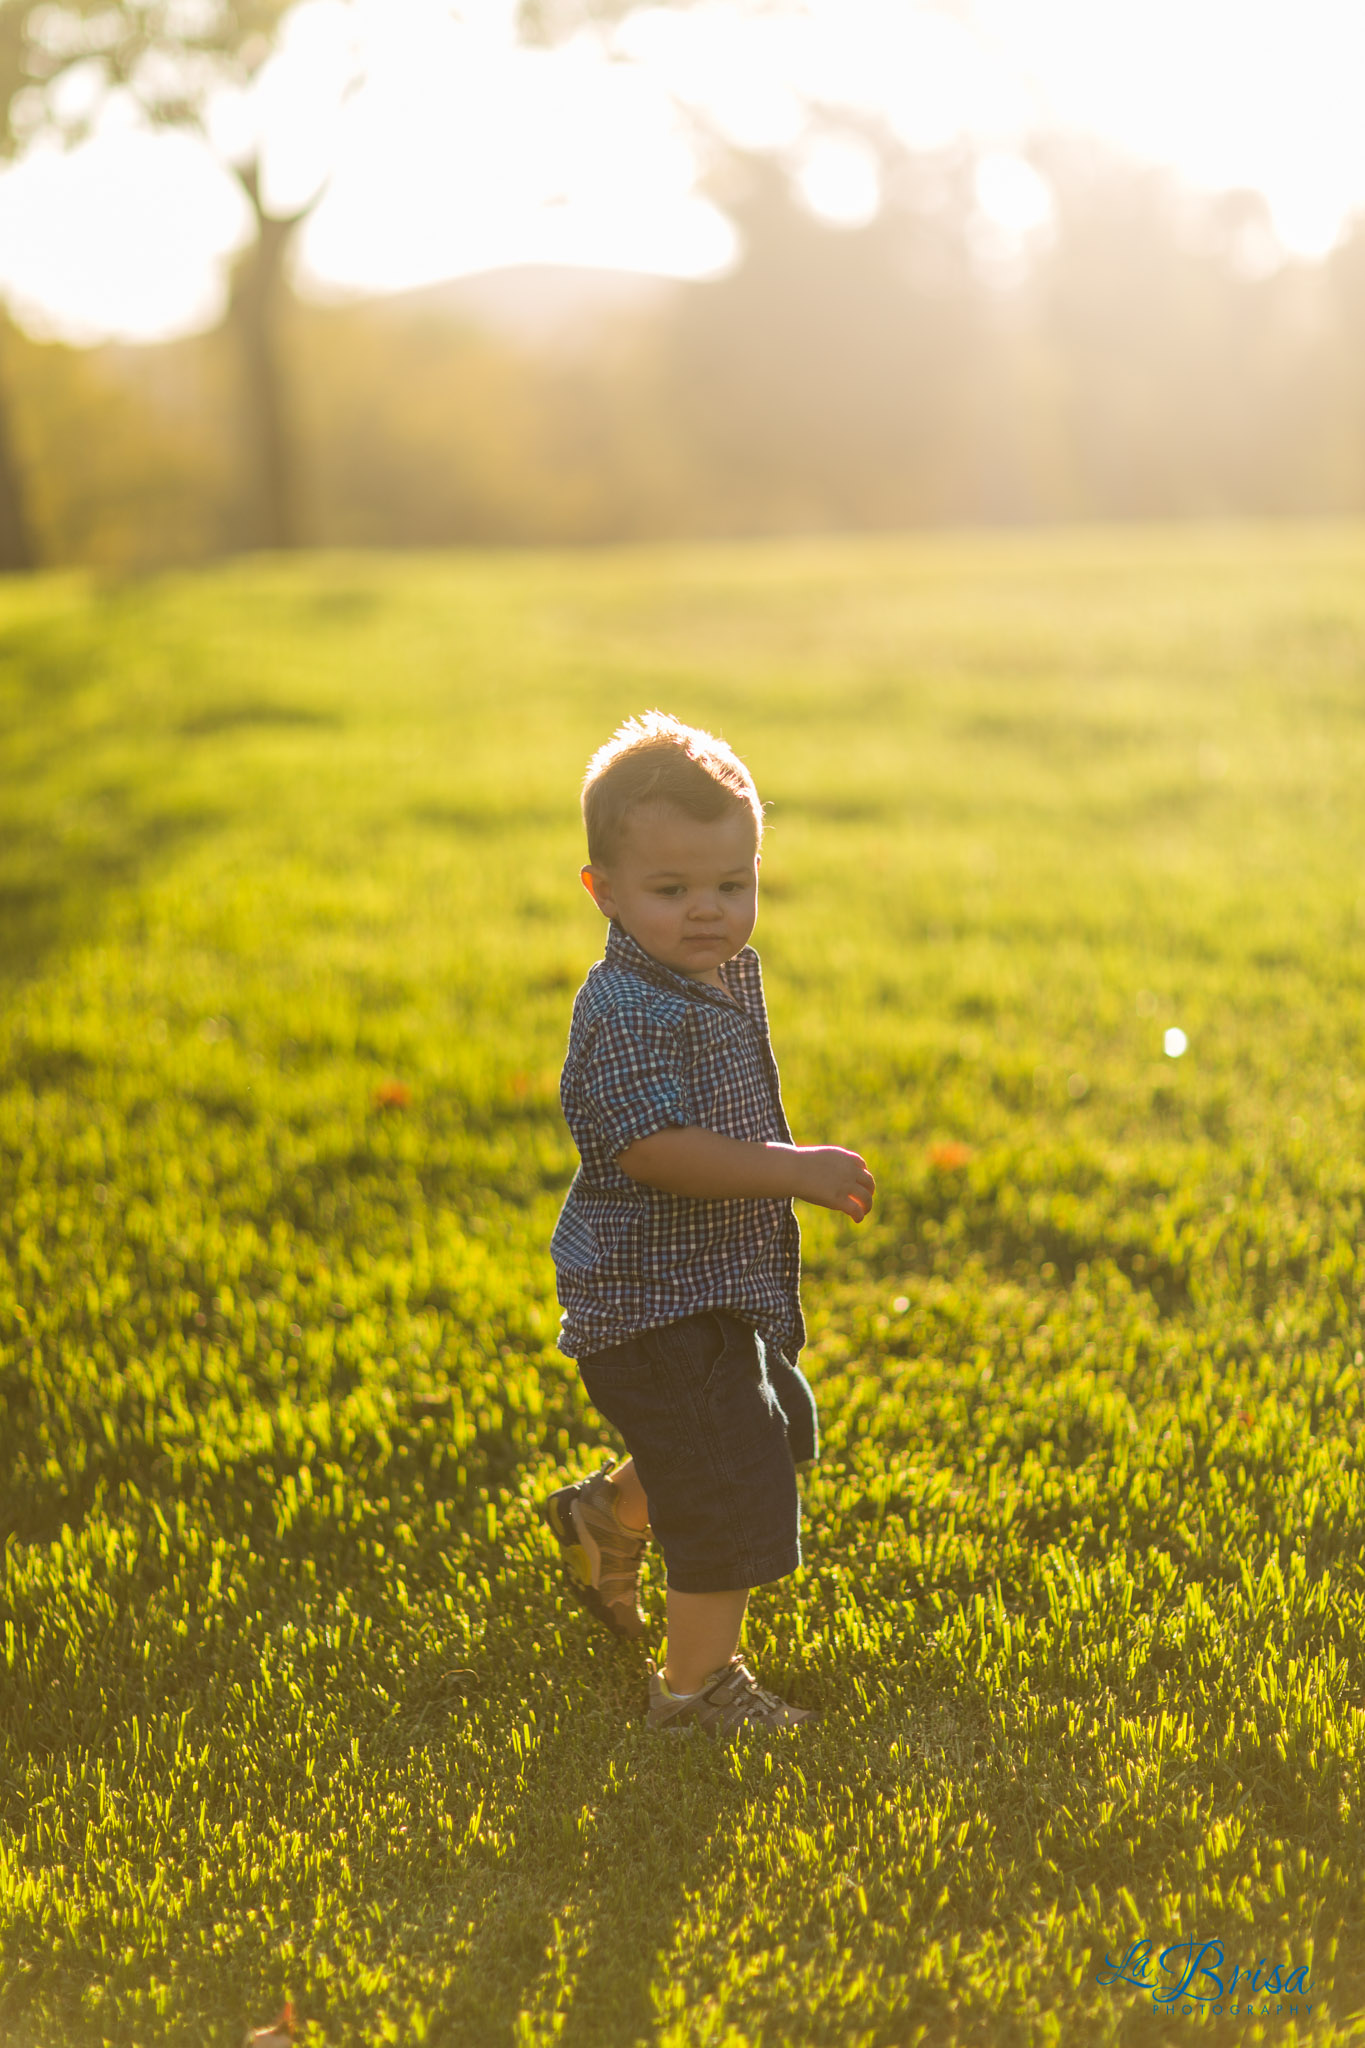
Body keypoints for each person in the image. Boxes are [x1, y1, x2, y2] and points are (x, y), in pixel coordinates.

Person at [540, 710, 875, 1739]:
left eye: (733, 885)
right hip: (651, 1305)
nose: (707, 911)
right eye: (672, 889)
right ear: (603, 889)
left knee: (745, 1436)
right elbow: (651, 1147)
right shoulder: (627, 1011)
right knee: (727, 1483)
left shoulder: (702, 977)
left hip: (709, 1290)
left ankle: (606, 1516)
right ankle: (694, 1694)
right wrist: (792, 1168)